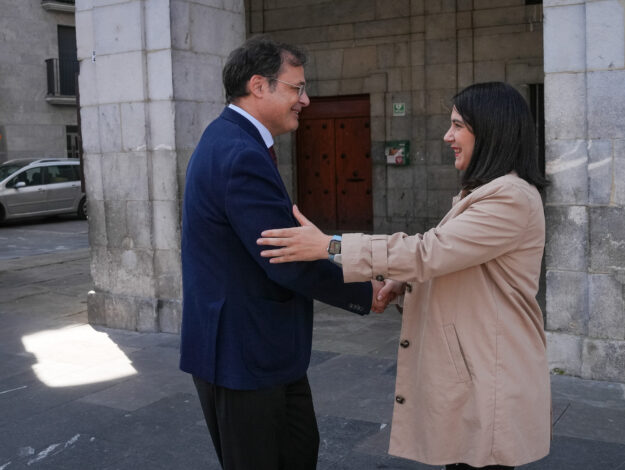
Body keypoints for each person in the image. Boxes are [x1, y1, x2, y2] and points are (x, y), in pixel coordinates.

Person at [257, 82, 551, 469]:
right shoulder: (487, 193)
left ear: (491, 129)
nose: (448, 136)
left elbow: (428, 251)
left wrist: (330, 245)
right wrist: (403, 281)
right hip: (479, 369)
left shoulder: (509, 197)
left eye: (458, 126)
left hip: (491, 375)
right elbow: (455, 260)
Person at [179, 36, 388, 470]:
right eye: (297, 88)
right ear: (259, 85)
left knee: (295, 452)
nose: (305, 100)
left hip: (255, 350)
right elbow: (284, 256)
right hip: (245, 354)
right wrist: (368, 291)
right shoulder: (239, 153)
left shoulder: (231, 140)